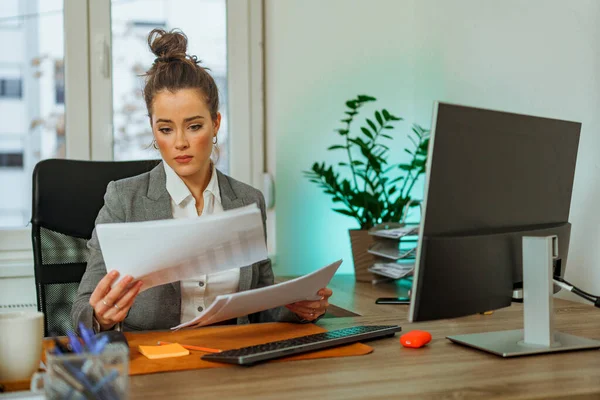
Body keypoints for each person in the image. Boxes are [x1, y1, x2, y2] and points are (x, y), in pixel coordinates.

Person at [71, 28, 333, 332]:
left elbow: (262, 310)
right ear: (153, 129)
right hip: (156, 364)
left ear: (215, 123)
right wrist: (99, 317)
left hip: (231, 359)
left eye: (194, 126)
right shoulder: (123, 200)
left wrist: (298, 308)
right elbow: (80, 310)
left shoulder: (248, 201)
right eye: (166, 129)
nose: (180, 142)